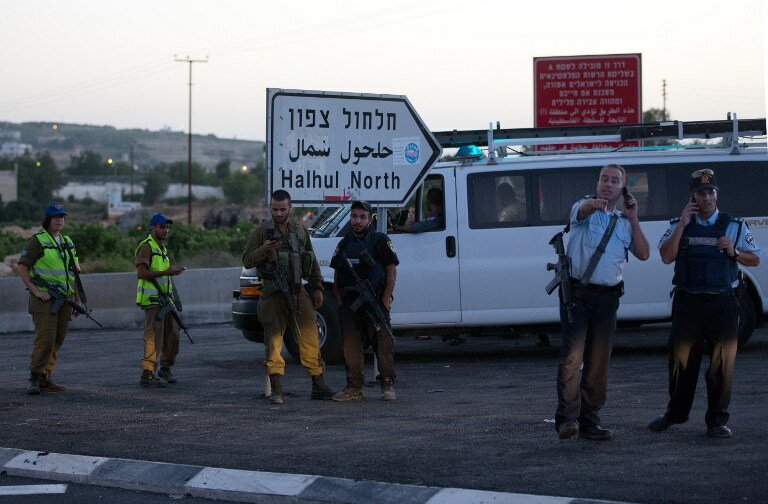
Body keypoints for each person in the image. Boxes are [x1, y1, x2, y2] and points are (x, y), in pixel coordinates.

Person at [648, 169, 760, 438]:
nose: (706, 197)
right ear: (693, 196)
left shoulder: (734, 225)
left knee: (722, 364)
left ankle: (717, 421)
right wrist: (684, 224)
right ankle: (675, 414)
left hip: (722, 303)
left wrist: (734, 252)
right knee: (681, 362)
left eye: (711, 192)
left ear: (716, 194)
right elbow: (665, 257)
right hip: (688, 303)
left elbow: (754, 259)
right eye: (701, 192)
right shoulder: (678, 223)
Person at [555, 164, 650, 440]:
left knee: (598, 362)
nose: (608, 184)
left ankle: (589, 420)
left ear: (623, 189)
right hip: (579, 297)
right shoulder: (582, 211)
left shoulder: (623, 222)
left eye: (615, 181)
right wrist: (596, 204)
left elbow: (644, 253)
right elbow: (581, 211)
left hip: (608, 299)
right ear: (598, 183)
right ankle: (567, 419)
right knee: (572, 359)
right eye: (604, 179)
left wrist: (633, 218)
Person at [242, 190, 334, 404]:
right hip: (273, 293)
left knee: (310, 337)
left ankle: (318, 385)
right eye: (275, 209)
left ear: (290, 208)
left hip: (297, 291)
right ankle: (276, 389)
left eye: (283, 209)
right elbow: (247, 260)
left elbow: (310, 259)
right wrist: (264, 250)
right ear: (270, 208)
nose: (279, 213)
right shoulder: (262, 231)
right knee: (274, 343)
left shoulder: (300, 229)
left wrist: (317, 286)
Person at [330, 200, 399, 401]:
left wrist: (385, 299)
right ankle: (354, 387)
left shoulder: (379, 240)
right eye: (354, 216)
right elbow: (336, 274)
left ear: (369, 219)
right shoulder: (344, 243)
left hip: (375, 300)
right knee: (350, 346)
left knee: (383, 343)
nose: (357, 221)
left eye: (362, 217)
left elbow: (391, 270)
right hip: (351, 304)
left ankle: (387, 384)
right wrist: (339, 300)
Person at [18, 202, 81, 395]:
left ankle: (46, 376)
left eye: (62, 216)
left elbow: (74, 274)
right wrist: (34, 290)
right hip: (44, 300)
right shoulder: (37, 241)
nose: (59, 220)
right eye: (55, 217)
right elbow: (22, 266)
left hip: (64, 299)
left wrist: (77, 300)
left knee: (57, 339)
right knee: (45, 339)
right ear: (48, 219)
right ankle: (34, 377)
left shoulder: (67, 242)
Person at [135, 213, 184, 388]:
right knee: (153, 337)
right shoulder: (147, 247)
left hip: (165, 300)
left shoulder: (161, 249)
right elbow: (141, 273)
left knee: (173, 335)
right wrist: (166, 272)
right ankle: (148, 373)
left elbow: (166, 278)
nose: (166, 230)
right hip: (153, 300)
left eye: (167, 227)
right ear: (153, 228)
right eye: (162, 227)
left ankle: (165, 368)